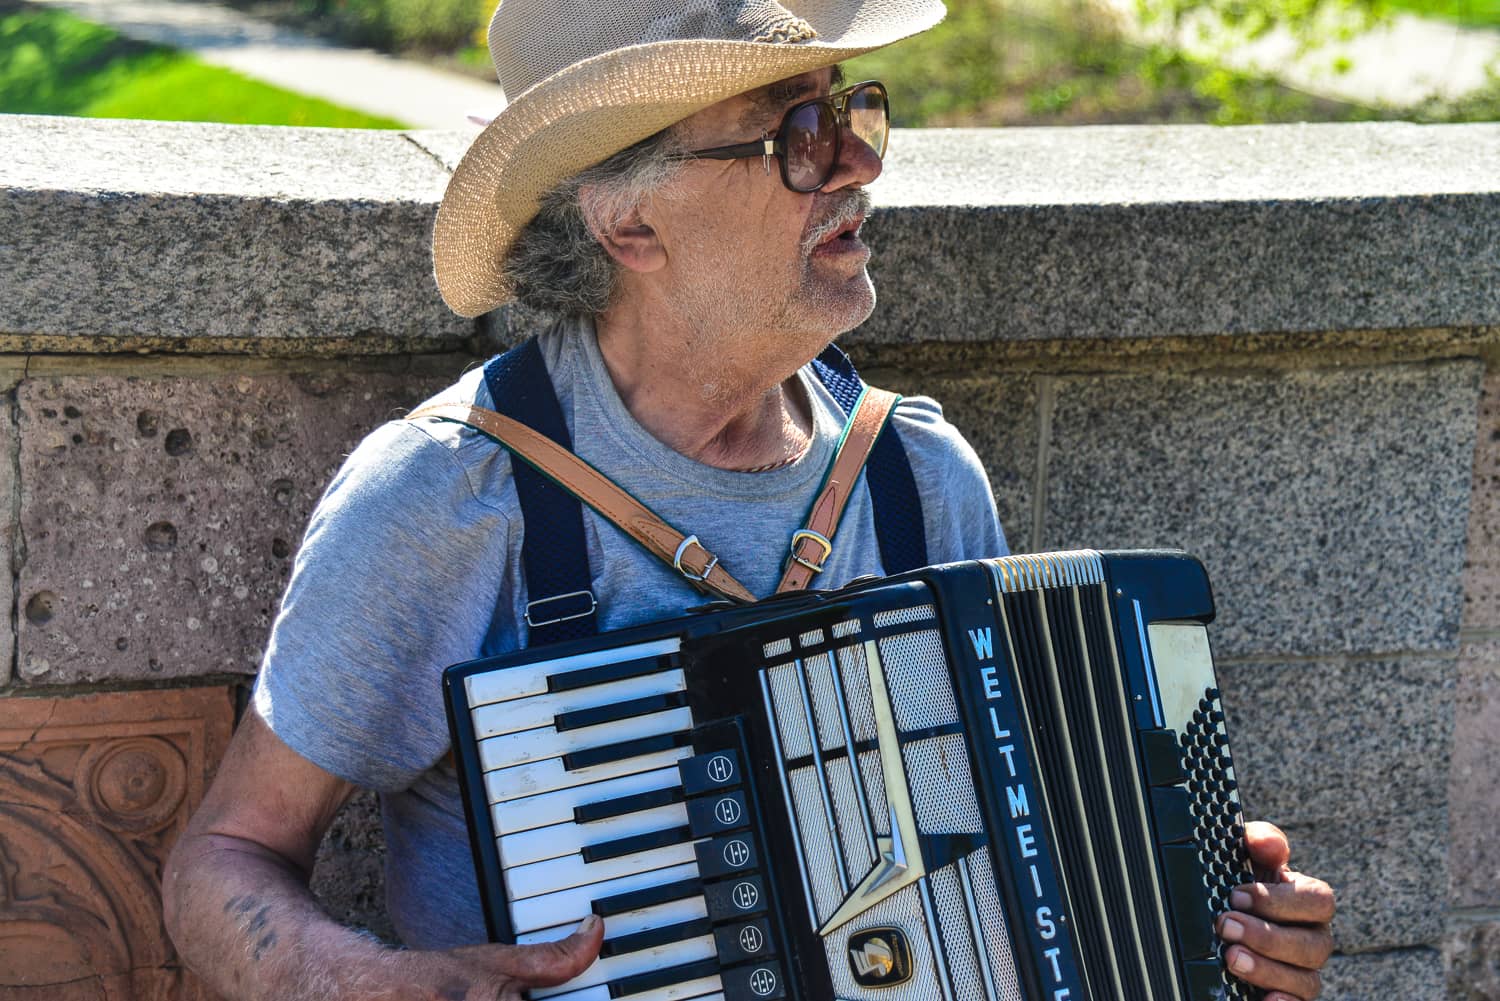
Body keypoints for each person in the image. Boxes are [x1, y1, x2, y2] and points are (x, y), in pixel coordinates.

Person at [161, 2, 1336, 999]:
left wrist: (1214, 921)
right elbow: (221, 857)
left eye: (854, 112)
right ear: (629, 220)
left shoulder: (919, 480)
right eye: (798, 136)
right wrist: (348, 976)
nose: (860, 166)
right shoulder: (456, 496)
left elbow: (1029, 886)